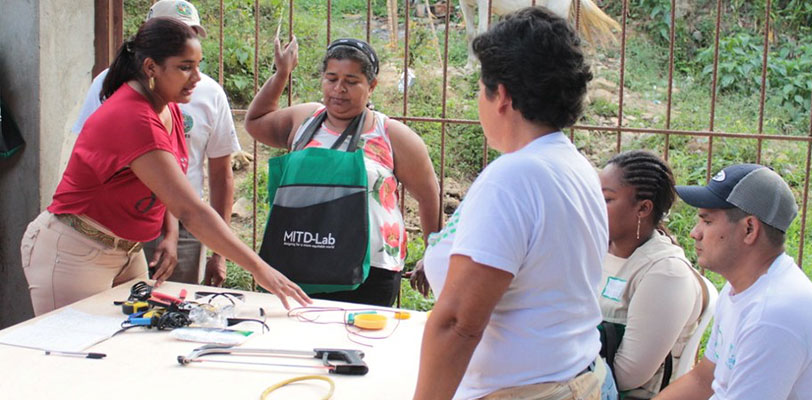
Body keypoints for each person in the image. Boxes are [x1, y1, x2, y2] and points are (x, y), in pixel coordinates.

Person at [19, 17, 310, 317]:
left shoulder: (166, 106)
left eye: (198, 65)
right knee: (73, 357)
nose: (197, 77)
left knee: (132, 350)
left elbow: (168, 188)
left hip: (127, 253)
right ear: (150, 68)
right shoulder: (134, 117)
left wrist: (169, 234)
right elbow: (190, 210)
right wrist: (260, 269)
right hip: (75, 252)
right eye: (185, 67)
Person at [414, 7, 616, 400]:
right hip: (571, 375)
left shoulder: (515, 177)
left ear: (501, 95)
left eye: (481, 87)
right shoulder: (571, 165)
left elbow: (459, 322)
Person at [244, 36, 440, 307]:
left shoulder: (391, 135)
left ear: (371, 85)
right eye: (331, 78)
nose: (339, 89)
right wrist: (282, 74)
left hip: (369, 271)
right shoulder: (305, 120)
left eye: (351, 81)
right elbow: (255, 122)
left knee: (361, 344)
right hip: (301, 258)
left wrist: (433, 254)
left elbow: (430, 195)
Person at [71, 0, 240, 287]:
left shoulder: (205, 93)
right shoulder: (110, 85)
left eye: (188, 35)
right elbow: (86, 156)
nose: (181, 44)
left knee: (171, 313)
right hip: (115, 223)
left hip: (186, 222)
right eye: (170, 35)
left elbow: (220, 174)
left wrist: (218, 253)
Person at [655, 163, 812, 400]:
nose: (694, 233)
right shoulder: (740, 288)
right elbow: (703, 379)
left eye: (707, 222)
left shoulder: (773, 315)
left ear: (749, 229)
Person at [597, 150, 704, 399]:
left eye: (606, 199)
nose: (593, 206)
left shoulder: (665, 273)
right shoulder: (596, 249)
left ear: (643, 208)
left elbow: (627, 376)